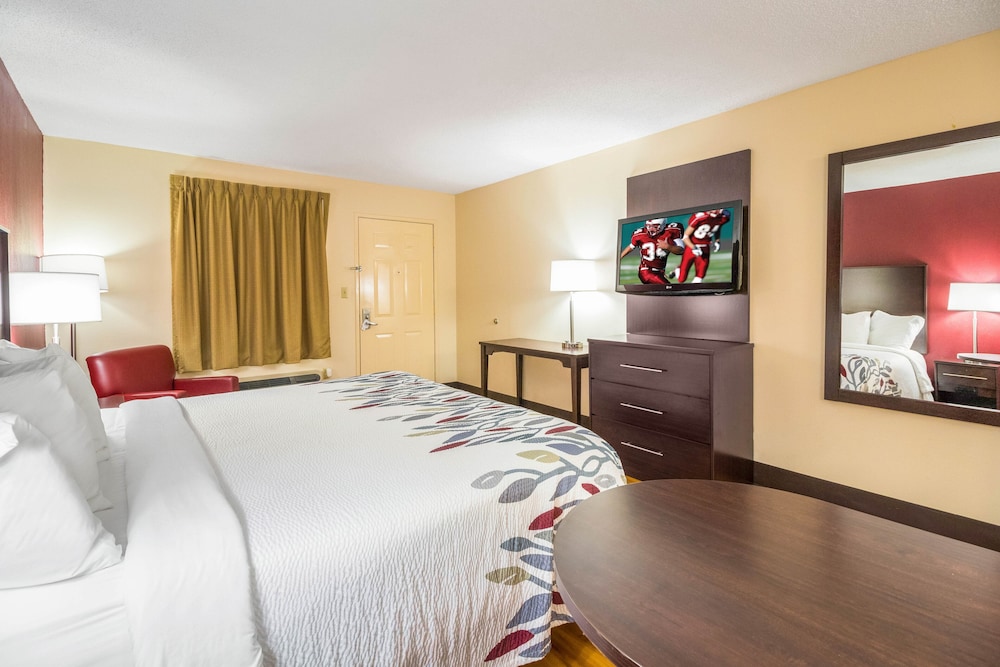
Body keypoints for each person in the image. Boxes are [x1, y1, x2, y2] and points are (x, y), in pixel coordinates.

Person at [670, 208, 731, 283]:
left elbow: (717, 227)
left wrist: (717, 240)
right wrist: (693, 247)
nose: (717, 210)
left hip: (705, 247)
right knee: (681, 279)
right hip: (692, 246)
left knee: (700, 276)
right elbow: (685, 236)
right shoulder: (700, 217)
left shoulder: (722, 217)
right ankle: (678, 269)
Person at [620, 218, 684, 284]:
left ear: (663, 225)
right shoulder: (640, 234)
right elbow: (631, 246)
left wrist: (668, 247)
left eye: (655, 227)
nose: (651, 229)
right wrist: (618, 258)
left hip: (660, 272)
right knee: (668, 288)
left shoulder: (671, 231)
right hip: (646, 271)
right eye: (649, 226)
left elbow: (681, 251)